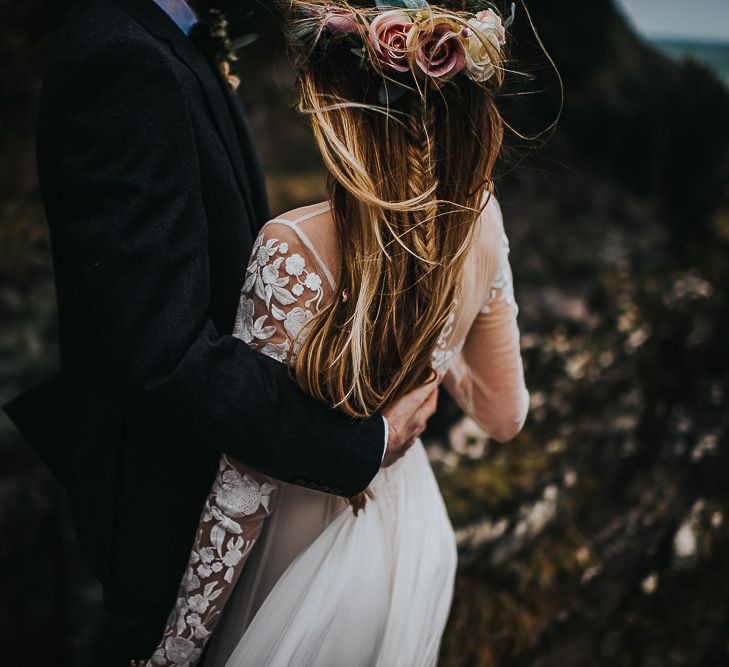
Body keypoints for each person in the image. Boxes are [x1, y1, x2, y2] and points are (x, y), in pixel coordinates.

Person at [2, 0, 439, 663]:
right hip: (165, 494)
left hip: (211, 464)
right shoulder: (121, 61)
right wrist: (360, 443)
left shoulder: (170, 39)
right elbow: (167, 350)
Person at [147, 2, 529, 665]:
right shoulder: (483, 215)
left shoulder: (293, 245)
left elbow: (242, 487)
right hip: (412, 552)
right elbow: (503, 414)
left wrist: (172, 653)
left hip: (303, 567)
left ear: (339, 102)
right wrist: (440, 343)